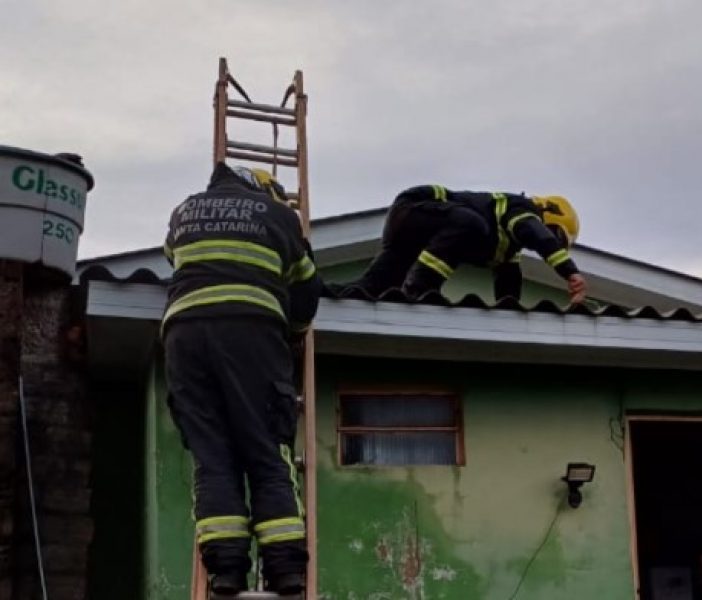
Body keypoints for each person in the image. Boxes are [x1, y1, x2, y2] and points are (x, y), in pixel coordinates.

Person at [161, 163, 323, 596]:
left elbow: (174, 257)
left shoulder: (184, 211)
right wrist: (291, 333)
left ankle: (226, 572)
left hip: (183, 338)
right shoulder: (280, 216)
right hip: (251, 333)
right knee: (267, 450)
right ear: (266, 190)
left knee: (212, 456)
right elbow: (307, 291)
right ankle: (285, 571)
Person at [350, 185, 587, 303]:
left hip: (420, 227)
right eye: (556, 235)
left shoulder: (507, 250)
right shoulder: (522, 209)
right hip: (417, 206)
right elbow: (535, 233)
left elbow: (509, 288)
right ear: (548, 214)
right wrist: (570, 273)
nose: (554, 244)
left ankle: (322, 290)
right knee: (472, 225)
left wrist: (509, 313)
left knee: (372, 288)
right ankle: (420, 289)